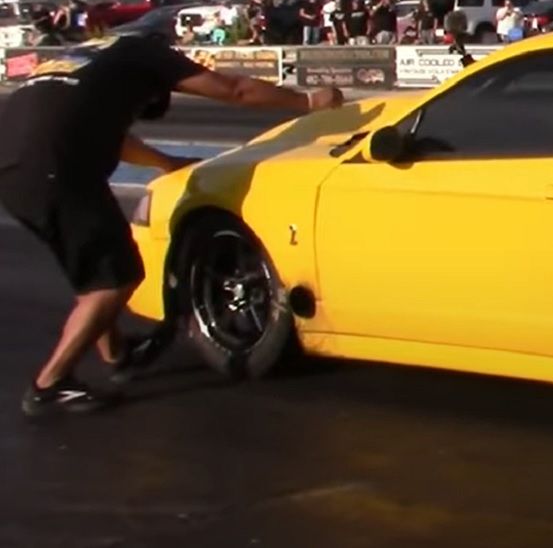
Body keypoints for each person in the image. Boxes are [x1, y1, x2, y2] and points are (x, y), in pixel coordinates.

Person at [0, 33, 343, 416]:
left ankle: (117, 355)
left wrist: (165, 163)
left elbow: (109, 136)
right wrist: (309, 101)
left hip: (15, 171)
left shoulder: (86, 61)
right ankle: (50, 385)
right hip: (55, 169)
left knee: (96, 268)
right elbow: (236, 90)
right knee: (116, 279)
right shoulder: (147, 52)